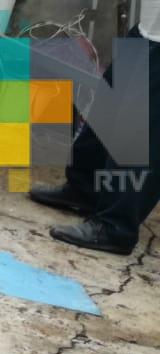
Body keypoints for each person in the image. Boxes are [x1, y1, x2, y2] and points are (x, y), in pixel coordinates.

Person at [30, 22, 160, 255]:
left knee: (141, 128)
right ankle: (86, 189)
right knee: (110, 104)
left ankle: (115, 227)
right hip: (149, 28)